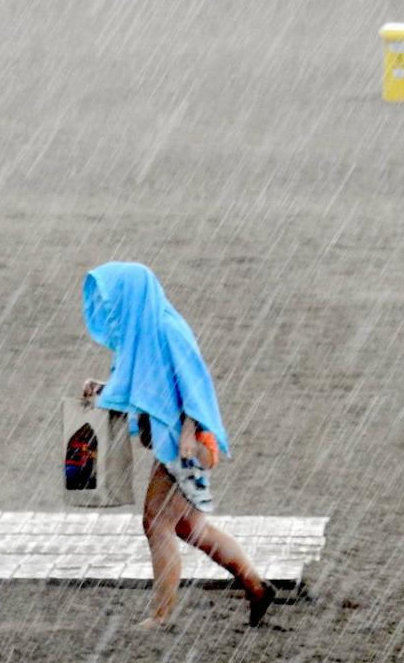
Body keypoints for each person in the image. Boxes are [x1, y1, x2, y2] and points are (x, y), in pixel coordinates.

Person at [80, 261, 275, 629]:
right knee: (190, 528)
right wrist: (103, 390)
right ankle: (256, 586)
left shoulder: (168, 331)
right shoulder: (143, 335)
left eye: (113, 298)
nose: (109, 307)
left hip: (186, 444)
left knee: (157, 524)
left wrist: (188, 431)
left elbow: (196, 386)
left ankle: (160, 615)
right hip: (172, 443)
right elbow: (147, 390)